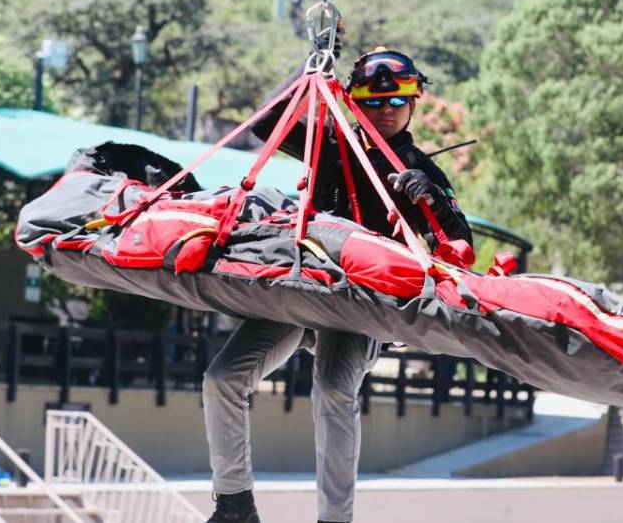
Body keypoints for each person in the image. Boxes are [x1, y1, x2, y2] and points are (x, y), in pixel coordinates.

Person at [202, 40, 472, 523]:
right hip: (301, 290)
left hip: (361, 307)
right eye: (372, 102)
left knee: (332, 388)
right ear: (353, 103)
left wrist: (429, 198)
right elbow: (267, 121)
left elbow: (461, 250)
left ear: (413, 104)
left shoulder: (421, 171)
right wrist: (310, 61)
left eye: (395, 102)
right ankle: (234, 504)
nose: (385, 111)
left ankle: (335, 519)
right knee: (221, 378)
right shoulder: (329, 147)